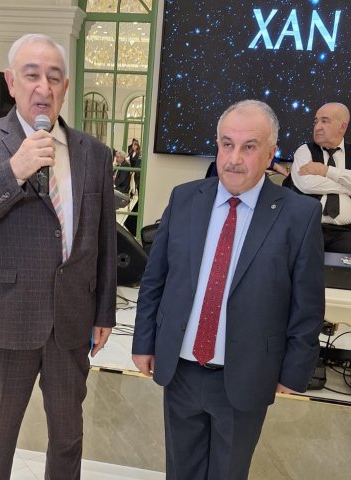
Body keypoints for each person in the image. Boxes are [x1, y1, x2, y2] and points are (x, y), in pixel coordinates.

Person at [0, 34, 116, 480]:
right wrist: (14, 170)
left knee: (68, 440)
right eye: (32, 75)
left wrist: (104, 311)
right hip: (6, 321)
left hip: (71, 324)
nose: (44, 87)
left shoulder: (94, 154)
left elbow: (103, 240)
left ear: (65, 87)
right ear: (11, 82)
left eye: (54, 77)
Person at [132, 100, 324, 480]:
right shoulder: (184, 198)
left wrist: (294, 372)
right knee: (180, 472)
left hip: (247, 375)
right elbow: (155, 279)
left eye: (249, 147)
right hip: (181, 371)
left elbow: (307, 306)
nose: (235, 159)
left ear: (270, 153)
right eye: (227, 144)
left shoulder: (299, 215)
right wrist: (144, 341)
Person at [290, 102, 351, 253]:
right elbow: (307, 184)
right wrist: (347, 187)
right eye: (316, 122)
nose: (317, 127)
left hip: (346, 232)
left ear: (342, 127)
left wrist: (326, 171)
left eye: (324, 121)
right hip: (308, 228)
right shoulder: (304, 151)